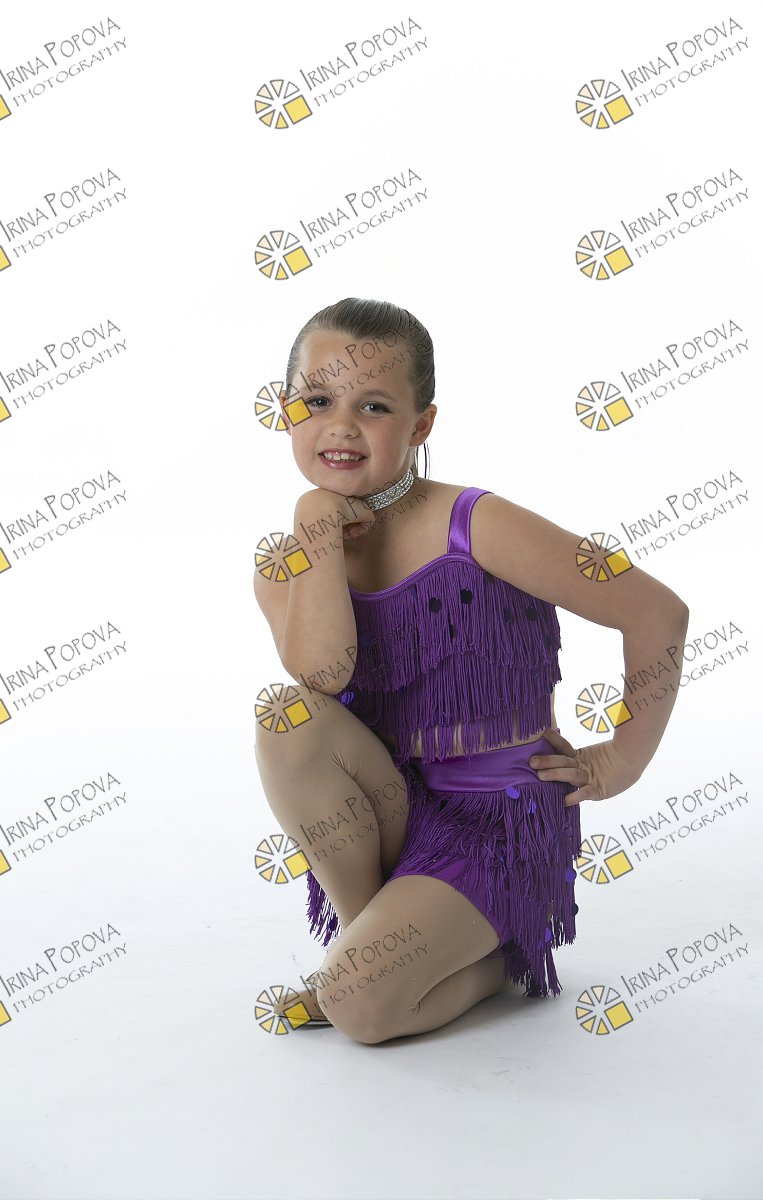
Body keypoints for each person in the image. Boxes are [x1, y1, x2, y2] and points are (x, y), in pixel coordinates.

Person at [253, 297, 690, 1043]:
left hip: (499, 821)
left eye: (374, 406)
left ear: (421, 425)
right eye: (317, 401)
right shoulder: (286, 565)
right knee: (284, 717)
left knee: (358, 1010)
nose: (341, 426)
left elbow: (656, 612)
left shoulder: (476, 525)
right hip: (393, 813)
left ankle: (500, 955)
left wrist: (623, 758)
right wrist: (315, 524)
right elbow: (324, 676)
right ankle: (368, 942)